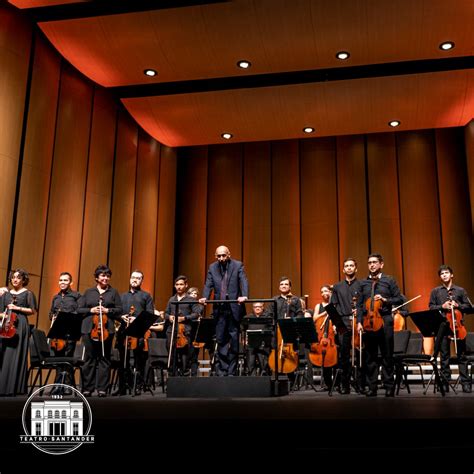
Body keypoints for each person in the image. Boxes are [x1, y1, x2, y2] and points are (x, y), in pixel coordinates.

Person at [356, 253, 404, 397]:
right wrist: (359, 322)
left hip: (385, 321)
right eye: (369, 262)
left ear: (381, 264)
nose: (372, 265)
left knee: (387, 355)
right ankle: (372, 387)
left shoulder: (389, 280)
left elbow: (399, 299)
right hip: (368, 323)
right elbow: (359, 306)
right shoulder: (363, 283)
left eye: (375, 262)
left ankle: (389, 386)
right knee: (370, 357)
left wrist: (385, 299)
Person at [199, 245, 249, 376]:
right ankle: (222, 370)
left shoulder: (238, 265)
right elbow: (208, 284)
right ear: (216, 256)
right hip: (219, 308)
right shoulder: (212, 267)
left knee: (233, 339)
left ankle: (232, 371)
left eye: (223, 255)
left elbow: (243, 280)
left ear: (229, 254)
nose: (221, 258)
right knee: (221, 339)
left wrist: (244, 295)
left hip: (234, 307)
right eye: (218, 256)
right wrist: (205, 296)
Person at [78, 264, 122, 397]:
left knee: (104, 358)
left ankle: (102, 388)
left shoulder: (113, 292)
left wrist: (108, 310)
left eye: (108, 276)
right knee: (89, 359)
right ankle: (87, 388)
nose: (106, 278)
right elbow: (79, 309)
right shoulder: (88, 292)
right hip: (88, 328)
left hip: (107, 329)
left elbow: (120, 310)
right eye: (103, 275)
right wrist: (91, 310)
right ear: (97, 277)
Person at [429, 265, 473, 393]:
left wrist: (458, 305)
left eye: (446, 273)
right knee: (444, 356)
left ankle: (466, 383)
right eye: (442, 273)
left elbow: (468, 307)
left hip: (458, 327)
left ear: (451, 275)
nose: (444, 275)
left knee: (462, 356)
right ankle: (445, 383)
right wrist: (442, 306)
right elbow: (431, 307)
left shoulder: (460, 290)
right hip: (443, 327)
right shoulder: (435, 291)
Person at [116, 270, 155, 395]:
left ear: (142, 281)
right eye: (133, 277)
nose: (135, 280)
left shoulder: (146, 296)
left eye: (138, 278)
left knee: (139, 359)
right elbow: (116, 312)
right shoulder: (122, 296)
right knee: (123, 359)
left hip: (139, 330)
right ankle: (122, 386)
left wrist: (136, 319)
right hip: (124, 330)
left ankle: (137, 385)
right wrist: (122, 317)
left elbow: (150, 314)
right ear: (129, 279)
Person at [0, 269, 37, 396]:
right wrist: (4, 316)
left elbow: (32, 310)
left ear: (23, 280)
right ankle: (3, 387)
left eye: (18, 277)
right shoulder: (5, 295)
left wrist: (17, 308)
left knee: (17, 354)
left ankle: (14, 388)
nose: (15, 279)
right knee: (4, 354)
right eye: (13, 277)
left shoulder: (28, 294)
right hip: (6, 325)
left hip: (20, 325)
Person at [331, 258, 362, 394]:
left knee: (361, 354)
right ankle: (345, 385)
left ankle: (361, 384)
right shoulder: (337, 286)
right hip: (342, 323)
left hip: (358, 323)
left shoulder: (361, 285)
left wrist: (360, 316)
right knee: (344, 356)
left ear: (356, 268)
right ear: (343, 270)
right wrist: (335, 324)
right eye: (346, 266)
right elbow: (334, 307)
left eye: (351, 266)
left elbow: (364, 304)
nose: (349, 268)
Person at [49, 272, 81, 391]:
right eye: (61, 280)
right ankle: (58, 385)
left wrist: (66, 317)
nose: (62, 282)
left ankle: (66, 386)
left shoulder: (76, 296)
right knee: (58, 359)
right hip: (57, 333)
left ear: (70, 282)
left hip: (70, 332)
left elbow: (79, 313)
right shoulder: (56, 297)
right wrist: (52, 316)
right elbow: (50, 313)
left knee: (67, 359)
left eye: (65, 280)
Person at [165, 275, 202, 376]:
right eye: (177, 285)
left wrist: (184, 318)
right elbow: (166, 313)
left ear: (186, 285)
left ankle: (184, 377)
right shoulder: (171, 299)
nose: (179, 287)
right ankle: (172, 377)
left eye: (181, 284)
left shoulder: (191, 299)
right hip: (171, 330)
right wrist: (169, 317)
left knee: (185, 356)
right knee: (172, 355)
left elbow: (196, 314)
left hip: (185, 331)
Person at [312, 285, 337, 390]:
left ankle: (337, 383)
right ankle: (328, 384)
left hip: (333, 337)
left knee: (336, 360)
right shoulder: (319, 306)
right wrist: (326, 311)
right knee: (325, 360)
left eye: (325, 291)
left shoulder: (335, 305)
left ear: (331, 292)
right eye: (321, 292)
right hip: (322, 336)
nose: (323, 293)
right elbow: (314, 318)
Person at [243, 302, 272, 375]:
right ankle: (253, 378)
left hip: (263, 344)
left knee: (264, 363)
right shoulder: (248, 318)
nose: (257, 308)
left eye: (259, 306)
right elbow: (243, 330)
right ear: (253, 308)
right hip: (251, 344)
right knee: (250, 362)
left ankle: (264, 377)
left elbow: (271, 330)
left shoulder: (267, 318)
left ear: (263, 307)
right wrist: (244, 340)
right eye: (255, 307)